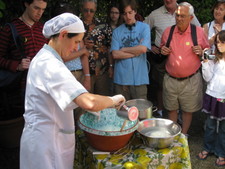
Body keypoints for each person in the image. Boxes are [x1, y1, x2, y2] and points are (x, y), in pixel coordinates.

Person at [19, 13, 126, 169]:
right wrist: (114, 100)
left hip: (45, 138)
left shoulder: (45, 58)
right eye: (76, 41)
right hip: (47, 146)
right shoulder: (50, 65)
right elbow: (89, 102)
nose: (77, 48)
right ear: (63, 35)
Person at [144, 0, 201, 118]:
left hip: (184, 55)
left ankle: (181, 113)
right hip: (163, 55)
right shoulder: (155, 14)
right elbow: (143, 30)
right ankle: (161, 111)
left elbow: (198, 30)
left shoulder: (186, 9)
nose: (168, 0)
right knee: (162, 86)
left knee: (182, 84)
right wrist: (150, 46)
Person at [160, 2, 209, 135]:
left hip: (191, 80)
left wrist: (202, 51)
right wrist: (162, 50)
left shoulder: (198, 32)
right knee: (171, 109)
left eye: (183, 16)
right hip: (170, 79)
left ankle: (184, 134)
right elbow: (162, 49)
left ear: (191, 18)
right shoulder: (168, 32)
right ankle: (174, 134)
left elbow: (208, 53)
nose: (179, 19)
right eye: (177, 15)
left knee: (188, 110)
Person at [0, 0, 48, 119]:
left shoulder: (43, 30)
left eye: (43, 9)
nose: (40, 13)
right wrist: (16, 65)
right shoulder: (10, 28)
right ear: (26, 4)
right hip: (19, 91)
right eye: (36, 8)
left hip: (42, 88)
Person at [110, 0, 151, 100]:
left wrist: (123, 49)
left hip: (140, 78)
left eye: (130, 12)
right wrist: (136, 51)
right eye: (124, 14)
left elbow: (143, 49)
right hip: (122, 79)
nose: (127, 17)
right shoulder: (117, 31)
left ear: (135, 11)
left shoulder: (144, 28)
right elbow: (115, 54)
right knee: (122, 113)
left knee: (141, 112)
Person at [197, 30, 225, 167]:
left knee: (224, 127)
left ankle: (221, 152)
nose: (219, 45)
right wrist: (206, 63)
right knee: (210, 125)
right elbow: (207, 78)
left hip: (224, 98)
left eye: (222, 42)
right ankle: (208, 147)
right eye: (217, 42)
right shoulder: (215, 58)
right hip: (212, 94)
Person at [81, 0, 113, 96]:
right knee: (87, 103)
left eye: (91, 10)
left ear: (95, 10)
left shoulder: (103, 26)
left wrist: (111, 66)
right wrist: (82, 43)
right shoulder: (76, 25)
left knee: (103, 101)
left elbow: (109, 47)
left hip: (102, 70)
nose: (88, 13)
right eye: (86, 10)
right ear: (81, 9)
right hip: (84, 72)